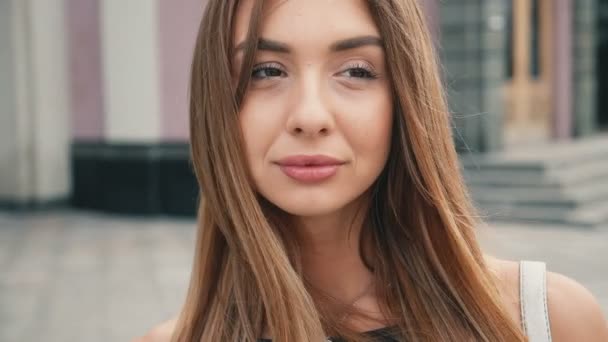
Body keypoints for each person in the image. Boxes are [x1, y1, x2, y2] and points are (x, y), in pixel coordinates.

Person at [135, 0, 608, 341]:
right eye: (266, 71)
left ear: (405, 98)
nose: (310, 116)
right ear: (216, 106)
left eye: (357, 71)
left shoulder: (545, 319)